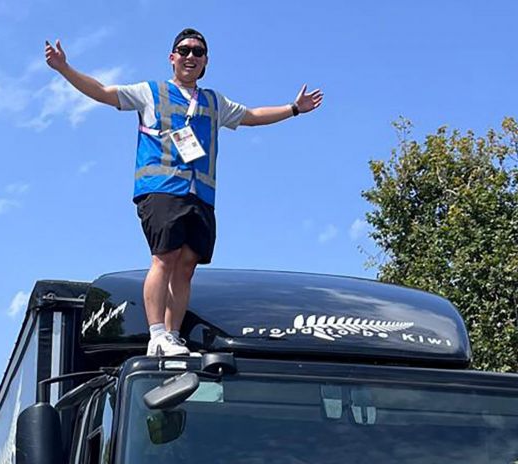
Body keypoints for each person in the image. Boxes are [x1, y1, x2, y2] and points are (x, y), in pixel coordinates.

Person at [45, 30, 323, 356]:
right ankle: (157, 333)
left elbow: (251, 116)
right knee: (164, 258)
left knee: (187, 264)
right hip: (161, 189)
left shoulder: (214, 101)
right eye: (184, 50)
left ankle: (173, 335)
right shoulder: (151, 92)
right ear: (172, 57)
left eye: (198, 52)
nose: (191, 56)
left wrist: (293, 108)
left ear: (205, 62)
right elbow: (104, 92)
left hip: (201, 194)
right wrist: (65, 69)